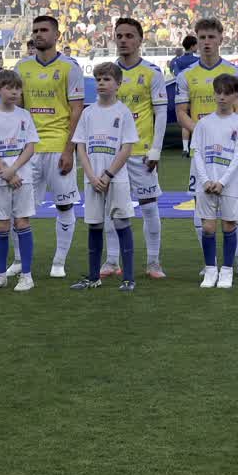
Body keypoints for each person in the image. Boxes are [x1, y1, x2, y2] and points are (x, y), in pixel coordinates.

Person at [9, 15, 86, 278]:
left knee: (64, 205)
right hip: (29, 150)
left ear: (57, 35)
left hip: (58, 147)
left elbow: (77, 110)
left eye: (44, 30)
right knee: (19, 207)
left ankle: (59, 262)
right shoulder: (22, 67)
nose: (38, 34)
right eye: (35, 30)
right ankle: (19, 260)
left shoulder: (70, 67)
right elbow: (17, 110)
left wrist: (69, 150)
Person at [176, 19, 238, 277]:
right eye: (202, 37)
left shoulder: (235, 72)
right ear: (196, 40)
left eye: (211, 37)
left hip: (230, 150)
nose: (206, 42)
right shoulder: (185, 76)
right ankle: (210, 261)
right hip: (203, 152)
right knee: (201, 202)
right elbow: (181, 113)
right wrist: (204, 135)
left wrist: (222, 135)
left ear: (221, 39)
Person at [103, 18, 168, 279]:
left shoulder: (152, 72)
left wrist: (156, 150)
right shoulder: (108, 72)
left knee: (149, 206)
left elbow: (160, 113)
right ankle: (111, 261)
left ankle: (153, 262)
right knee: (112, 207)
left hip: (141, 152)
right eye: (119, 35)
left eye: (129, 36)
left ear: (140, 40)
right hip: (112, 153)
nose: (123, 40)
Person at [70, 62, 139, 292]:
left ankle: (128, 278)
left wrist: (108, 175)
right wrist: (91, 175)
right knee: (94, 224)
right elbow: (80, 146)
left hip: (116, 178)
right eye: (98, 79)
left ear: (118, 84)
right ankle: (93, 277)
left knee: (121, 222)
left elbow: (126, 148)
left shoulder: (123, 112)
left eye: (107, 79)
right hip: (93, 179)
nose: (101, 83)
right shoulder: (88, 112)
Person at [0, 69, 38, 292]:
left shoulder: (24, 115)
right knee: (2, 226)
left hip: (23, 178)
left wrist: (13, 169)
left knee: (22, 223)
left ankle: (27, 276)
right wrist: (5, 171)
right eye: (9, 88)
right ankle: (1, 275)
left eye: (17, 88)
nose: (14, 92)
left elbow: (30, 147)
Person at [190, 74, 238, 290]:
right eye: (219, 92)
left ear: (236, 95)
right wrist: (205, 180)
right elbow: (197, 153)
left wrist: (223, 182)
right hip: (206, 184)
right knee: (208, 227)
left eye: (227, 93)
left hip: (230, 184)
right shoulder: (203, 124)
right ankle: (210, 270)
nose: (222, 97)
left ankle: (227, 271)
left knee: (228, 225)